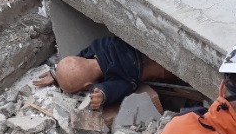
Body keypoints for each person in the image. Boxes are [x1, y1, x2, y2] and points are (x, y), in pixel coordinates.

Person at [32, 34, 173, 110]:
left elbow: (121, 87)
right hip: (135, 43)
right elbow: (75, 63)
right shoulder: (96, 47)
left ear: (88, 85)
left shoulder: (118, 74)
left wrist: (103, 93)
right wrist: (56, 73)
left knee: (167, 70)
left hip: (144, 64)